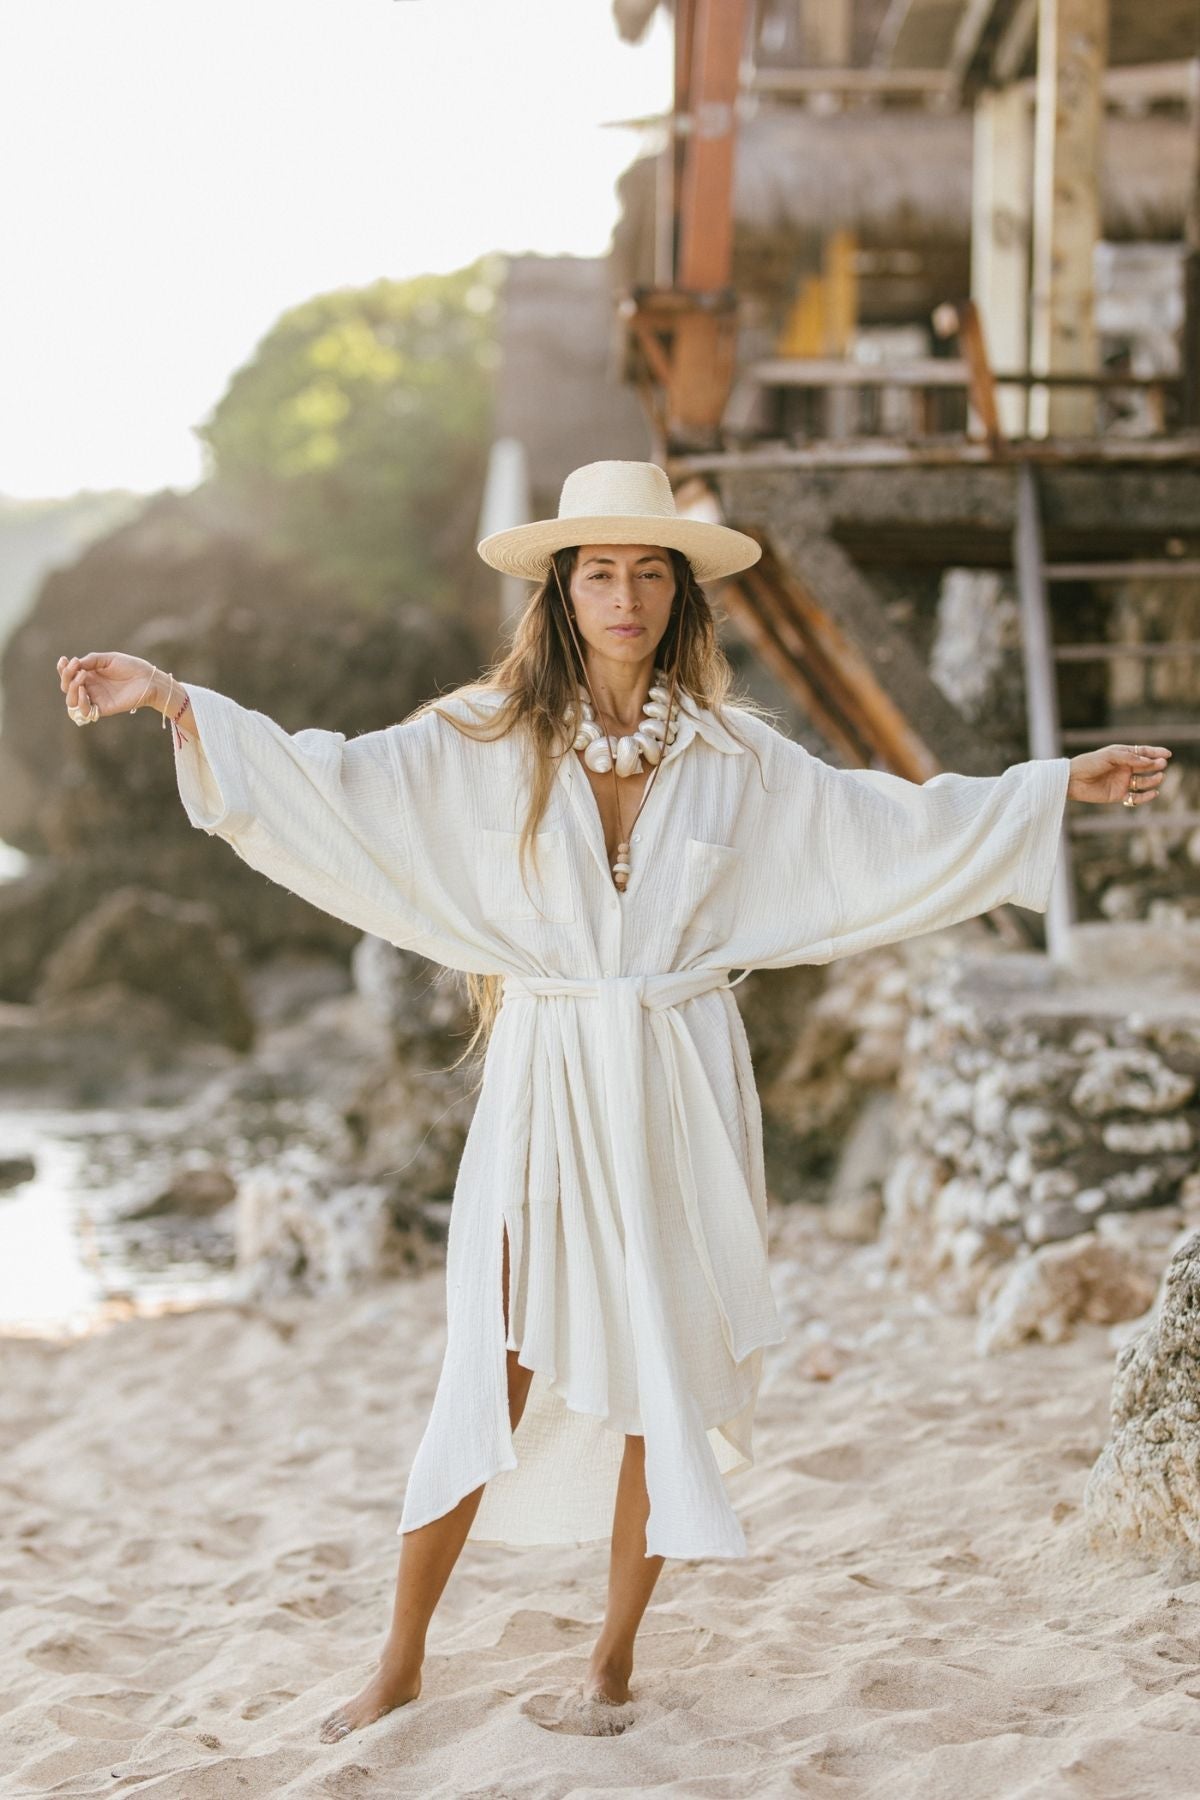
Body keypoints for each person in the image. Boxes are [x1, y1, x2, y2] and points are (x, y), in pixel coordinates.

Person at [55, 459, 1170, 1741]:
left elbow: (882, 824)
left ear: (680, 594)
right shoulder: (481, 739)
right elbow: (333, 783)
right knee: (500, 1353)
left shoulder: (736, 754)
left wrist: (1048, 787)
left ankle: (613, 1658)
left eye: (651, 571)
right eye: (601, 572)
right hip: (548, 1074)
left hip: (680, 1077)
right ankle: (402, 1654)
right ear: (562, 591)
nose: (626, 594)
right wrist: (174, 700)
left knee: (668, 1360)